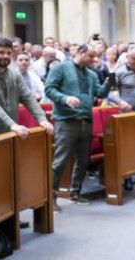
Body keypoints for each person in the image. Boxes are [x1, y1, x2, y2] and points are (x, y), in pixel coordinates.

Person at [44, 44, 111, 209]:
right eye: (91, 56)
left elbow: (100, 94)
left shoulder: (92, 74)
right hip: (66, 121)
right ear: (80, 52)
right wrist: (65, 99)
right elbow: (49, 89)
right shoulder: (61, 68)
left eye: (95, 56)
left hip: (86, 121)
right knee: (60, 161)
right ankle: (50, 197)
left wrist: (108, 84)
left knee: (83, 160)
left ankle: (75, 193)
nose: (94, 60)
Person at [0, 38, 53, 138]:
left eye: (9, 53)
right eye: (1, 52)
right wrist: (12, 124)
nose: (5, 56)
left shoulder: (14, 74)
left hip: (11, 130)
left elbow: (28, 98)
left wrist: (42, 119)